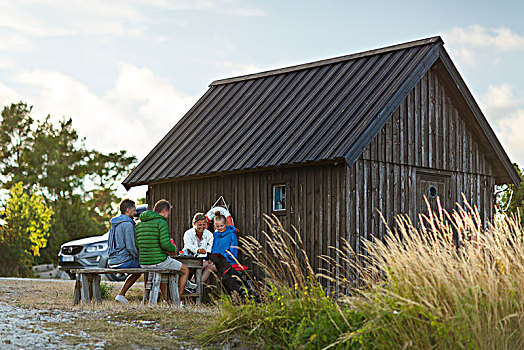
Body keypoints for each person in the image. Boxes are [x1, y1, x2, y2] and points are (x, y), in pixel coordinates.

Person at [135, 199, 190, 302]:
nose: (168, 215)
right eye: (168, 212)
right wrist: (173, 248)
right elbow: (165, 244)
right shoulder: (161, 222)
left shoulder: (139, 225)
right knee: (185, 270)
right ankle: (178, 299)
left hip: (144, 263)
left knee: (163, 274)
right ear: (165, 211)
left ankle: (165, 300)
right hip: (158, 262)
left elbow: (138, 245)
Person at [107, 199, 142, 305]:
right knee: (145, 266)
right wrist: (139, 257)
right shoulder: (127, 224)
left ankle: (122, 294)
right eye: (134, 210)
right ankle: (122, 295)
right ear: (128, 210)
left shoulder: (115, 224)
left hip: (112, 261)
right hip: (122, 261)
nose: (136, 213)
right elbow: (131, 247)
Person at [201, 211, 239, 283]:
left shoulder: (232, 235)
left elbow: (233, 253)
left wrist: (219, 258)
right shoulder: (215, 235)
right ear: (215, 226)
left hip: (227, 262)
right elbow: (212, 249)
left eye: (222, 226)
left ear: (226, 224)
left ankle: (197, 285)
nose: (220, 228)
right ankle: (191, 282)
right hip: (214, 260)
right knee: (202, 264)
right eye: (218, 226)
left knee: (209, 267)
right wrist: (209, 258)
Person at [183, 213, 214, 285]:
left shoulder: (209, 234)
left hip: (203, 260)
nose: (202, 227)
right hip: (189, 259)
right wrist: (198, 250)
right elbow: (188, 245)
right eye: (199, 225)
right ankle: (192, 284)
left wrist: (206, 255)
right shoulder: (188, 233)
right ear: (194, 224)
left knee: (209, 265)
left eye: (204, 225)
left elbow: (209, 249)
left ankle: (194, 284)